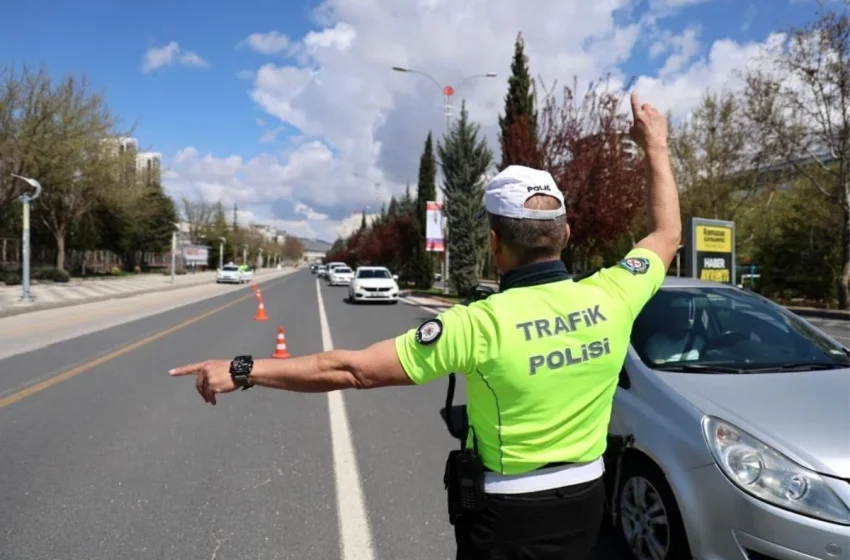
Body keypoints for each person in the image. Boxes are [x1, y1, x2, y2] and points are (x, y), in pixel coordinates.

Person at [169, 92, 681, 560]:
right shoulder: (615, 294)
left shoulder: (478, 325)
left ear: (494, 244)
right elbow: (666, 233)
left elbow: (350, 370)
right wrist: (655, 146)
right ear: (565, 233)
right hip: (588, 505)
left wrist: (243, 368)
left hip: (507, 517)